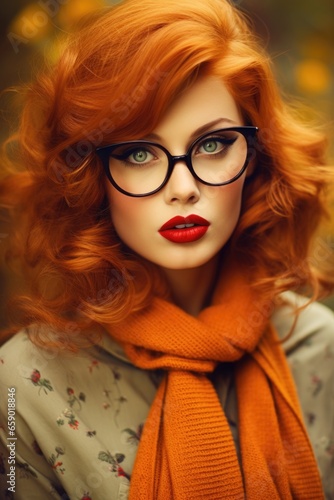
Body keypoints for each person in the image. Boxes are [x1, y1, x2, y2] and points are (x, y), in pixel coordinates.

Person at [0, 0, 333, 498]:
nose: (182, 188)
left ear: (257, 158)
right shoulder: (22, 387)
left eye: (214, 144)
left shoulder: (321, 349)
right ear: (90, 176)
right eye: (138, 153)